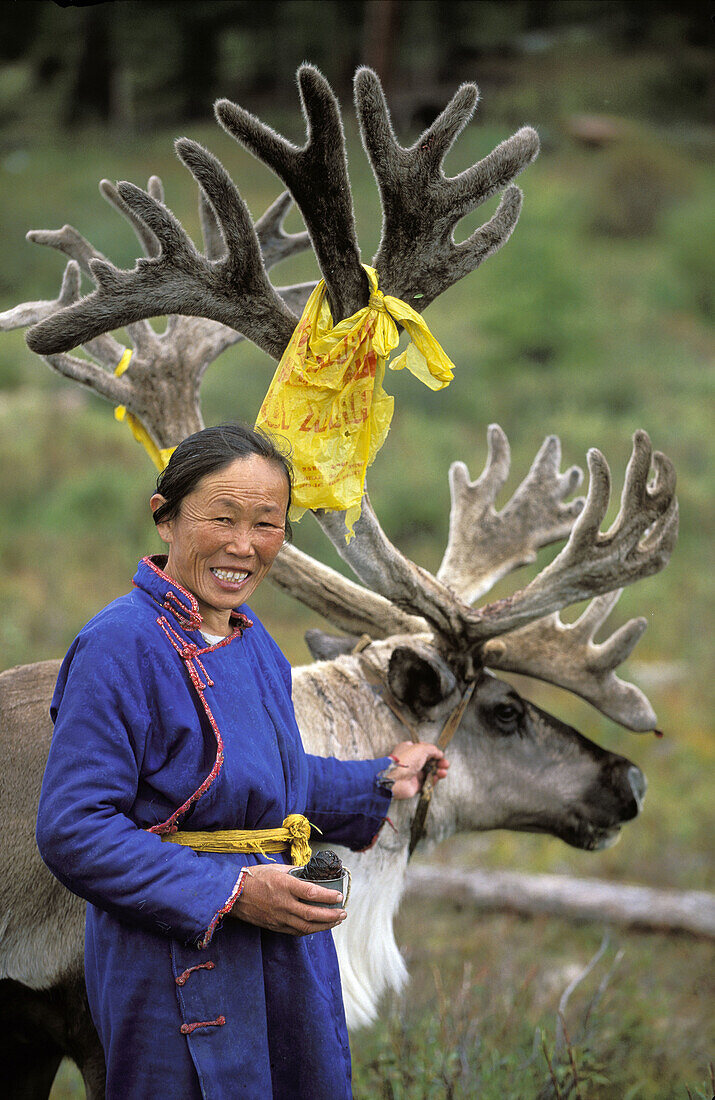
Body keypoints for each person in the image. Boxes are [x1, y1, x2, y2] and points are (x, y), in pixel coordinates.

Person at [36, 423, 449, 1100]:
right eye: (220, 518)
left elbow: (269, 786)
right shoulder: (119, 645)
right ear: (164, 517)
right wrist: (230, 893)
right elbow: (74, 828)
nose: (242, 545)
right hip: (172, 959)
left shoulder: (254, 643)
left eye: (267, 523)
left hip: (282, 951)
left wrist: (384, 780)